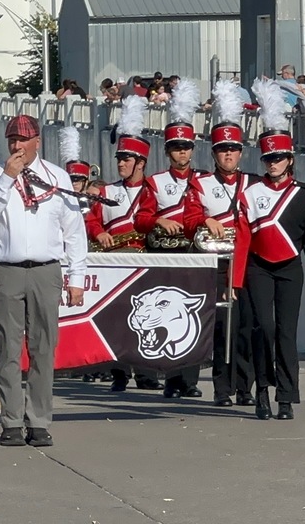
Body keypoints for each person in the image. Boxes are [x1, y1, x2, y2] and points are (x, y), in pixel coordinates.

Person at [0, 114, 87, 447]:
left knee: (43, 348)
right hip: (7, 270)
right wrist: (7, 179)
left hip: (45, 271)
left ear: (37, 141)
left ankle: (38, 420)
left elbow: (75, 232)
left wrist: (76, 277)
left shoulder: (57, 176)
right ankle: (10, 420)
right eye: (12, 139)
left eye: (23, 139)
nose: (17, 145)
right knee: (6, 348)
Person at [241, 80, 305, 421]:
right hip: (258, 267)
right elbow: (243, 234)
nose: (273, 163)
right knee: (264, 327)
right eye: (268, 157)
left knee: (287, 333)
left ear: (289, 159)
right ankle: (261, 390)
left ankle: (286, 397)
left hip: (290, 268)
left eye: (278, 157)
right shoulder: (250, 192)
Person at [182, 80, 257, 407]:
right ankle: (223, 389)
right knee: (223, 331)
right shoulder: (201, 183)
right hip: (216, 267)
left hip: (249, 265)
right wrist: (203, 220)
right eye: (222, 150)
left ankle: (246, 387)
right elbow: (188, 216)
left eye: (233, 149)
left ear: (241, 152)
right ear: (214, 153)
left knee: (248, 330)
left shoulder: (254, 183)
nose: (228, 154)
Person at [82, 98, 163, 392]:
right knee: (116, 319)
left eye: (127, 159)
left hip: (142, 261)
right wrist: (98, 233)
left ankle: (146, 374)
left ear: (140, 163)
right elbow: (91, 220)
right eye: (119, 159)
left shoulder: (153, 190)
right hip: (113, 261)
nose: (121, 164)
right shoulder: (106, 191)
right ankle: (118, 372)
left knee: (146, 320)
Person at [134, 80, 205, 400]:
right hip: (163, 256)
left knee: (192, 319)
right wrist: (159, 219)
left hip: (195, 256)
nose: (182, 152)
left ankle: (188, 381)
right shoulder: (155, 182)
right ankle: (171, 381)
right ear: (167, 151)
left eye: (187, 147)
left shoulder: (205, 180)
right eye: (176, 147)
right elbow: (140, 219)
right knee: (166, 318)